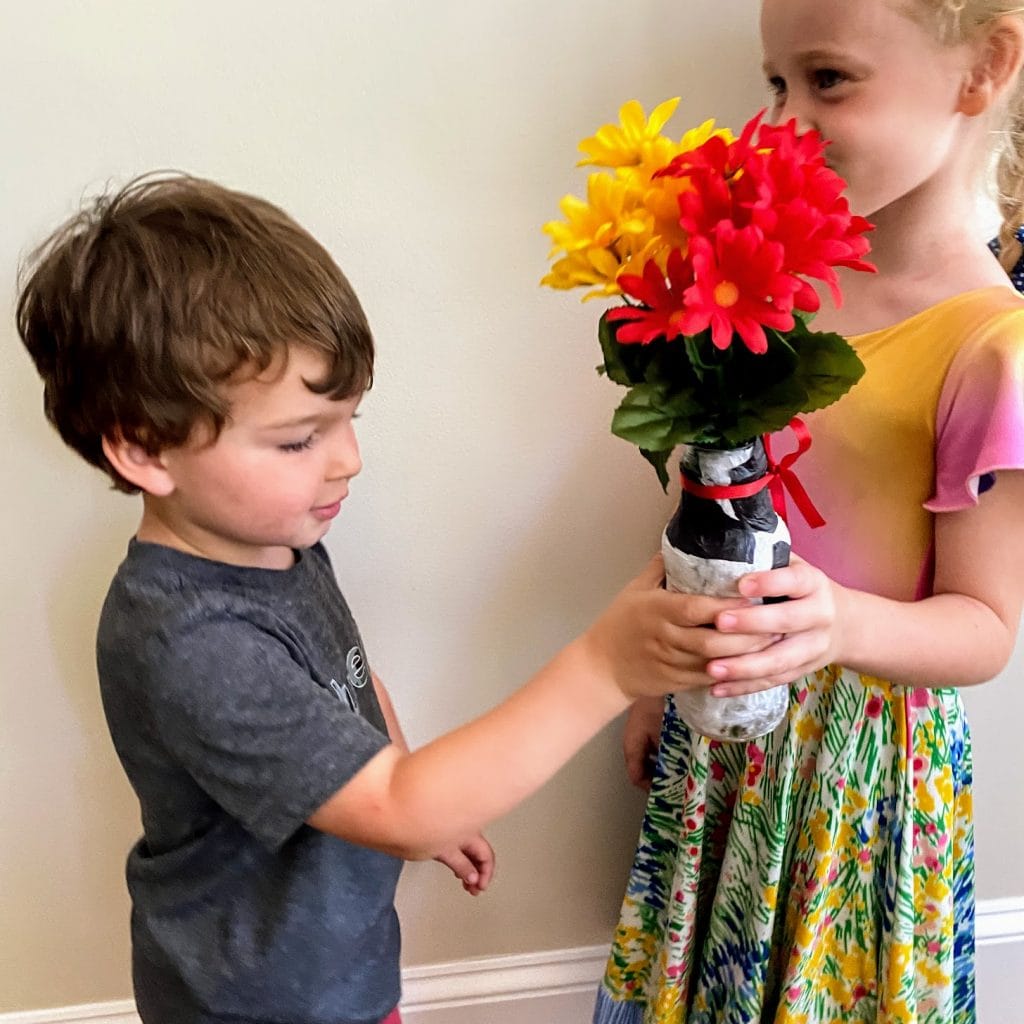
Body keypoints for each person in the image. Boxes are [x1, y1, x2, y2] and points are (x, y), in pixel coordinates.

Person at [14, 172, 777, 1024]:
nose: (346, 461)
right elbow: (395, 808)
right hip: (259, 1004)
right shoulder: (193, 641)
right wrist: (601, 668)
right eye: (301, 438)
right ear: (147, 452)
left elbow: (348, 682)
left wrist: (416, 794)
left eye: (350, 421)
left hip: (334, 967)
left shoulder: (275, 541)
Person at [593, 2, 1024, 1023]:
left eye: (826, 80)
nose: (782, 123)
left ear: (981, 70)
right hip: (721, 722)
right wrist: (648, 656)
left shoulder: (989, 347)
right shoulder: (764, 285)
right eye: (774, 82)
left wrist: (836, 622)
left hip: (857, 772)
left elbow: (986, 627)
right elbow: (707, 487)